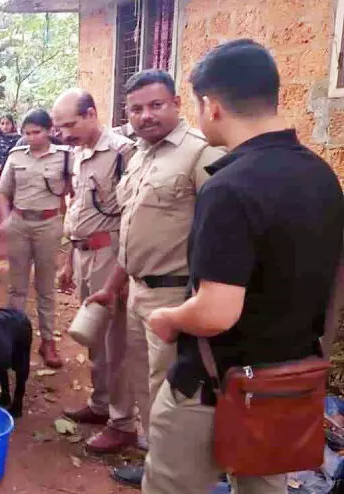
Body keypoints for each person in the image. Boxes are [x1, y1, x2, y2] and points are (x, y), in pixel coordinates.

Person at [142, 39, 344, 493]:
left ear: (211, 106)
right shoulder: (322, 176)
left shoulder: (229, 188)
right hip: (287, 385)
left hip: (216, 387)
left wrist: (168, 317)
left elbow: (217, 312)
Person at [84, 69, 225, 487]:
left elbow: (221, 234)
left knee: (173, 394)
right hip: (137, 293)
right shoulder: (140, 155)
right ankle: (154, 462)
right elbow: (133, 231)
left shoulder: (201, 155)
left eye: (155, 105)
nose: (145, 115)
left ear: (177, 103)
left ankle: (177, 477)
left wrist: (200, 303)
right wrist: (112, 286)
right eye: (136, 109)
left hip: (176, 297)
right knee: (145, 384)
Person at [53, 89, 138, 454]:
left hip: (112, 256)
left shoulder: (122, 152)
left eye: (69, 125)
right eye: (59, 127)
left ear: (91, 113)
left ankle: (122, 423)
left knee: (116, 339)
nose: (63, 134)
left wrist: (123, 268)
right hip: (85, 254)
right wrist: (68, 259)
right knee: (94, 336)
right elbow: (78, 211)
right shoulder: (78, 153)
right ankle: (101, 404)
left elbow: (133, 216)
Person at [0, 109, 72, 369]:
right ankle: (12, 340)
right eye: (26, 133)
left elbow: (73, 192)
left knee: (46, 287)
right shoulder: (15, 157)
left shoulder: (65, 157)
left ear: (50, 131)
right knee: (17, 287)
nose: (30, 137)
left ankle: (47, 341)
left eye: (36, 132)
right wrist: (5, 223)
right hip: (19, 223)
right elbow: (2, 192)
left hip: (49, 225)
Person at [0, 114, 21, 182]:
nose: (5, 126)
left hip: (12, 174)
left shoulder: (18, 140)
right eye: (2, 124)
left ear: (12, 124)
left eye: (7, 123)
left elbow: (14, 157)